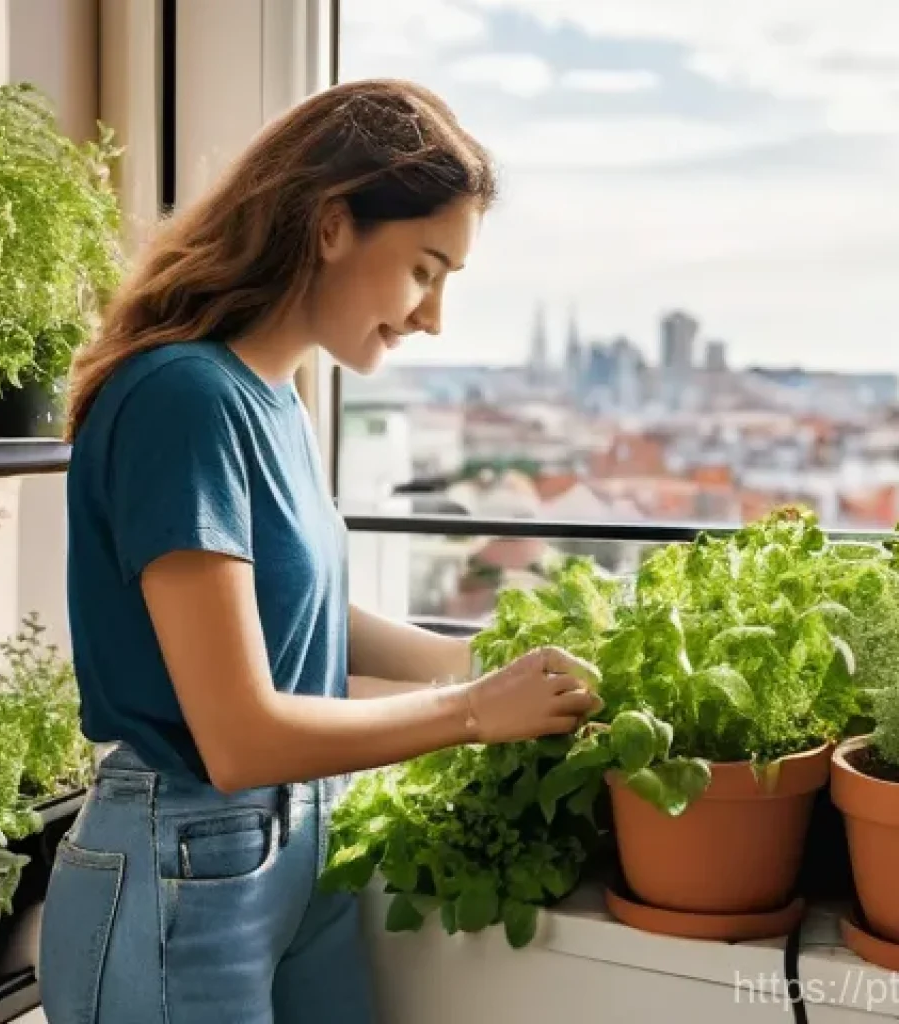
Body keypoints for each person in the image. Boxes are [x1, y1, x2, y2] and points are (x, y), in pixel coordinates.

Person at [38, 77, 602, 1024]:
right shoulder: (183, 399)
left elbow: (300, 612)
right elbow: (239, 736)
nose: (434, 317)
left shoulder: (275, 399)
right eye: (427, 268)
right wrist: (470, 709)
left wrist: (478, 659)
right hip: (180, 863)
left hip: (296, 846)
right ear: (333, 222)